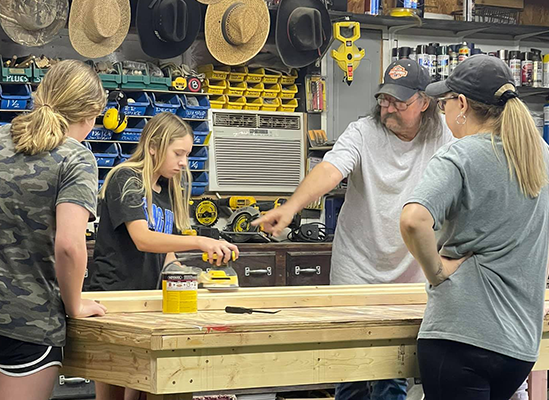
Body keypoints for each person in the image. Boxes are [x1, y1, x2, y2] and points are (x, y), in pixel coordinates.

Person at [253, 59, 453, 400]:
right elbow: (330, 170)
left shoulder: (444, 135)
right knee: (349, 370)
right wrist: (290, 207)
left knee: (392, 372)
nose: (388, 109)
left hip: (410, 273)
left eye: (399, 103)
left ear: (424, 103)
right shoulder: (363, 131)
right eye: (384, 99)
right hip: (356, 270)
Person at [0, 60, 107, 400]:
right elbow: (69, 245)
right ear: (90, 115)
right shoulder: (75, 158)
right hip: (27, 318)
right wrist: (75, 305)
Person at [400, 54, 549, 400]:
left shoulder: (461, 155)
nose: (443, 111)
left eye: (444, 102)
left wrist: (436, 272)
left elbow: (413, 219)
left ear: (462, 104)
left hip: (461, 337)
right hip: (520, 347)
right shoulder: (540, 154)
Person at [88, 111, 239, 400]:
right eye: (178, 153)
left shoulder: (167, 187)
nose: (184, 162)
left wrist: (191, 275)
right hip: (116, 300)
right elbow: (143, 239)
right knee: (111, 392)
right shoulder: (126, 178)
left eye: (187, 154)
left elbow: (165, 250)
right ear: (153, 147)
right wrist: (201, 242)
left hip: (149, 301)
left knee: (141, 387)